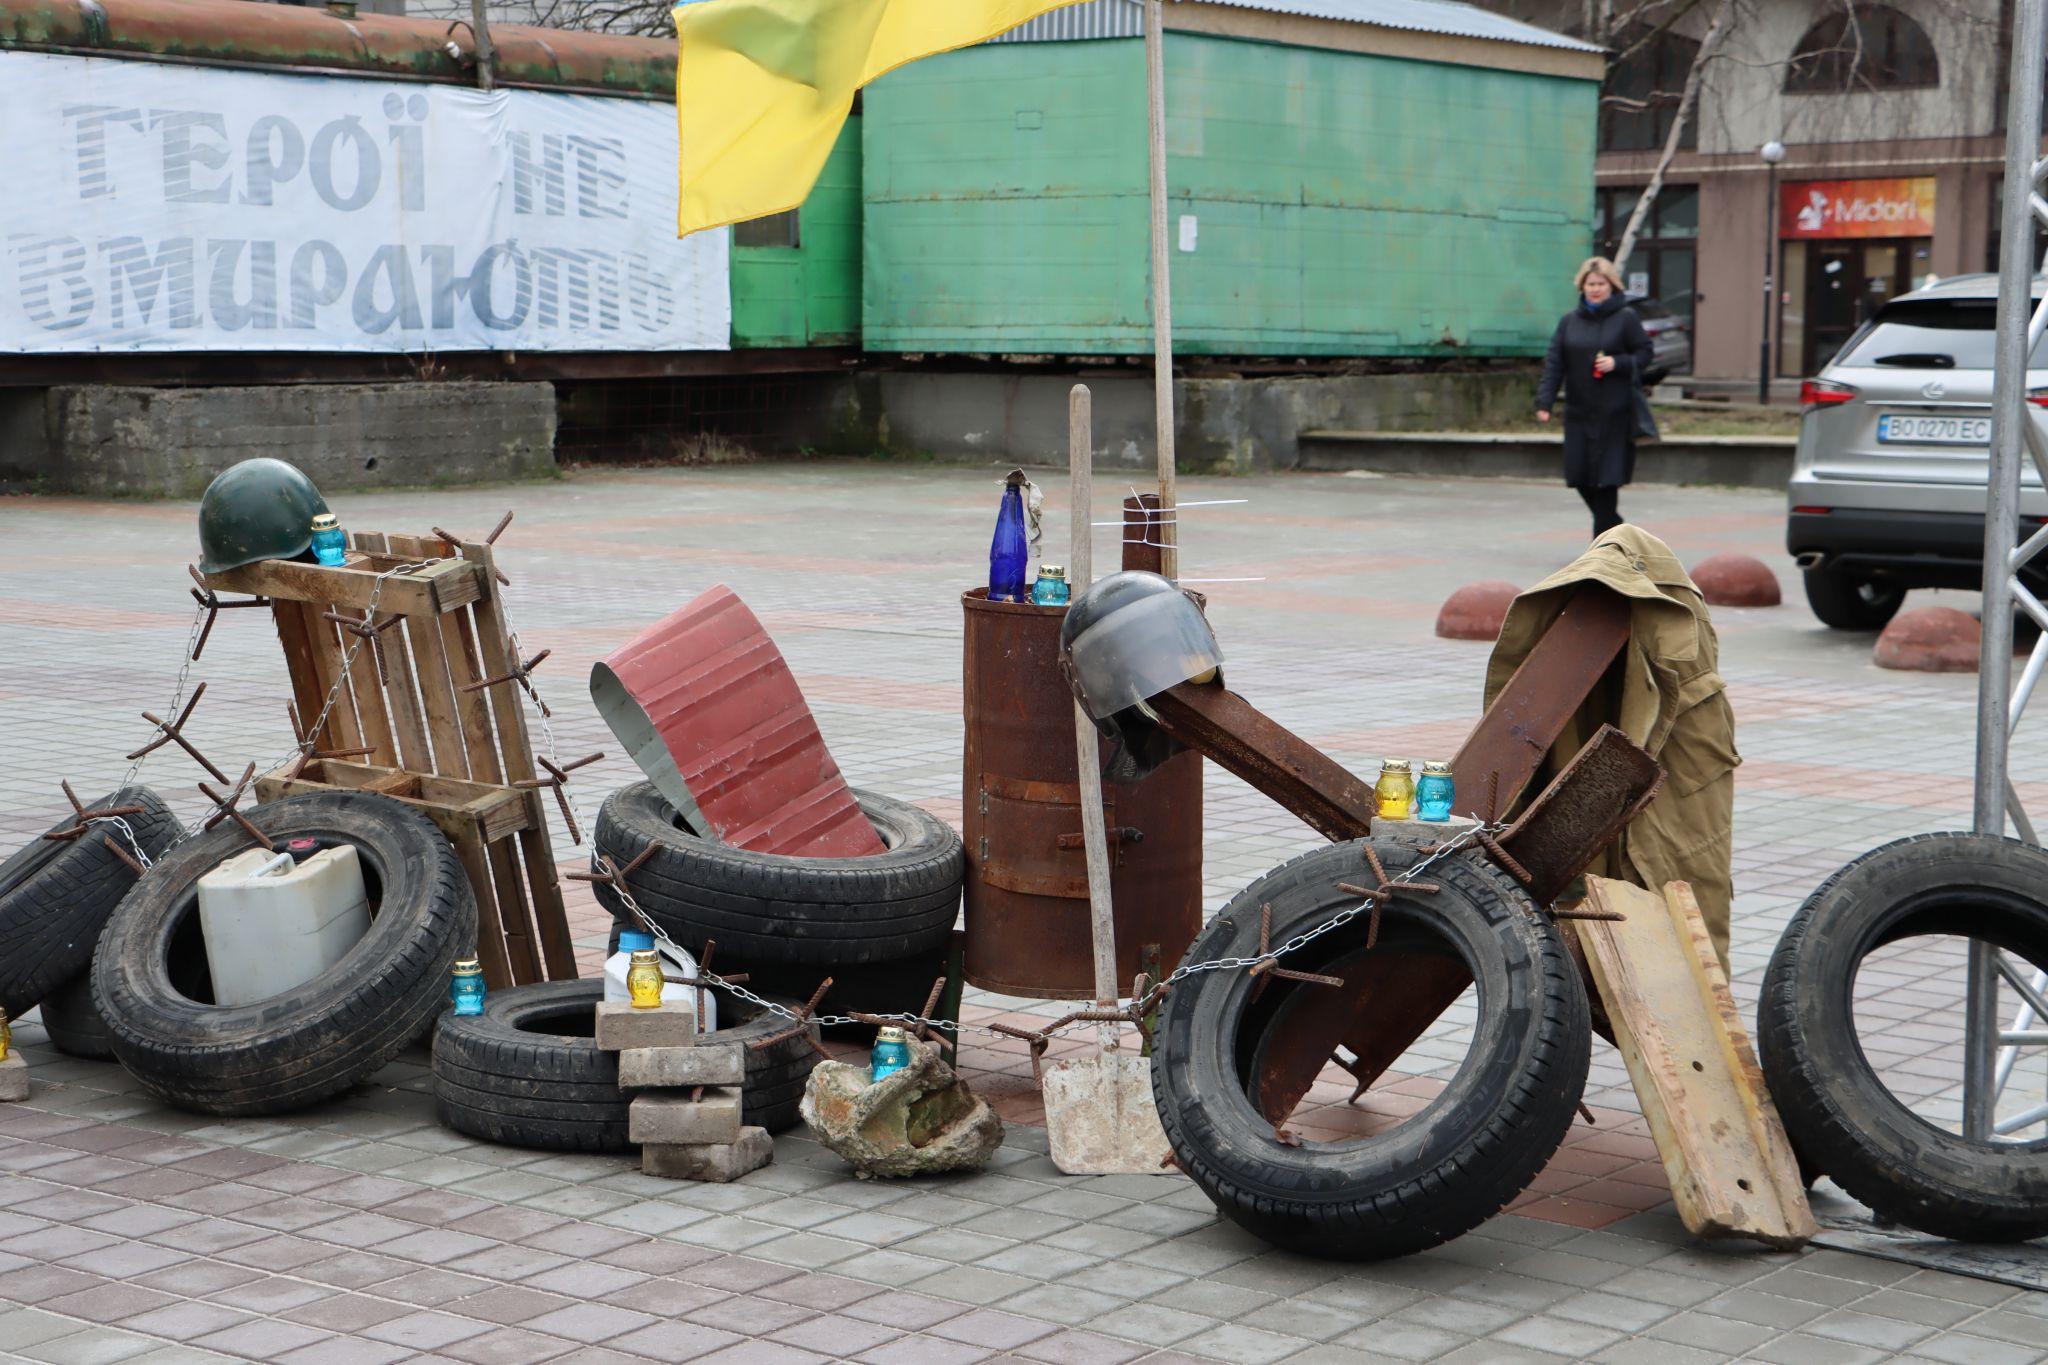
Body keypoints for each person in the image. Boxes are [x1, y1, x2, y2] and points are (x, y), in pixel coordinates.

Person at [1535, 257, 1654, 537]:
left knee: (1606, 480)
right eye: (1590, 284)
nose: (1595, 289)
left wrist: (1619, 363)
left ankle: (1602, 548)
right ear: (1582, 286)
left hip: (1615, 412)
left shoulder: (1626, 318)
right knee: (1578, 476)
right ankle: (1621, 533)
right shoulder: (1569, 322)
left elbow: (1645, 353)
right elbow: (1555, 363)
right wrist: (1544, 401)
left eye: (1601, 284)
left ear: (1612, 286)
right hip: (1579, 412)